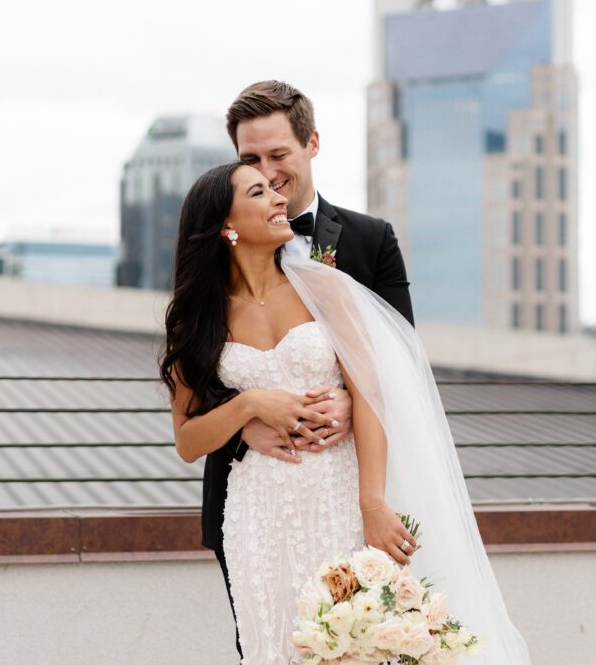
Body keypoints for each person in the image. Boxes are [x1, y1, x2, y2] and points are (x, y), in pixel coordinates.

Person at [161, 163, 531, 664]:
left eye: (275, 188)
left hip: (340, 495)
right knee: (275, 645)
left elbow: (373, 395)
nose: (277, 198)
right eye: (259, 192)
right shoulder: (195, 317)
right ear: (226, 226)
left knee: (356, 643)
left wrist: (373, 504)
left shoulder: (326, 289)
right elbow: (187, 440)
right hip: (258, 512)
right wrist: (250, 404)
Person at [203, 80, 415, 658]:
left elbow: (403, 363)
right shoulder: (210, 276)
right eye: (250, 160)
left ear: (312, 143)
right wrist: (245, 417)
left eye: (279, 155)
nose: (268, 173)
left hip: (347, 490)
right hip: (253, 498)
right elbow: (195, 396)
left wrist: (352, 395)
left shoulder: (372, 242)